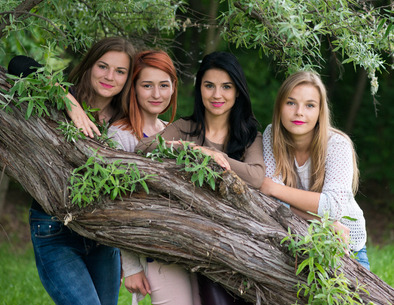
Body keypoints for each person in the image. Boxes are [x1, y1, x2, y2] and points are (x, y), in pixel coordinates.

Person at [10, 37, 136, 305]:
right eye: (103, 66)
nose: (110, 76)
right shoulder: (60, 96)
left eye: (120, 71)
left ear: (128, 78)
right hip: (55, 230)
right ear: (90, 65)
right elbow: (17, 64)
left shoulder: (124, 119)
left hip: (102, 236)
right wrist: (69, 101)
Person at [136, 51, 264, 305]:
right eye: (209, 86)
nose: (217, 95)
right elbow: (142, 149)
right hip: (186, 238)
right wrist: (191, 149)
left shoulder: (250, 134)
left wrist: (212, 154)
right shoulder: (185, 128)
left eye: (226, 87)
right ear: (200, 89)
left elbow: (256, 177)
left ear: (237, 91)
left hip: (234, 246)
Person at [108, 50, 201, 305]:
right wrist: (130, 266)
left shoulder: (170, 132)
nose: (156, 94)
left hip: (184, 247)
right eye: (147, 85)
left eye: (164, 85)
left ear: (173, 88)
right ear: (134, 89)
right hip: (153, 251)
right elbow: (118, 204)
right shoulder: (120, 135)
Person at [259, 71, 370, 270]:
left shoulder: (337, 144)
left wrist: (275, 189)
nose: (299, 112)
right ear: (279, 107)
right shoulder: (271, 135)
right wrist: (326, 222)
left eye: (310, 105)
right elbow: (270, 201)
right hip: (297, 236)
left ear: (320, 111)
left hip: (344, 242)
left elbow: (333, 208)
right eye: (291, 102)